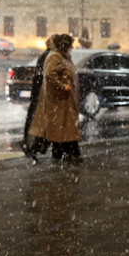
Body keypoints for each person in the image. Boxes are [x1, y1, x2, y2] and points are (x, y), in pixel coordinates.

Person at [28, 33, 83, 164]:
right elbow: (49, 74)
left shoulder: (63, 57)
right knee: (63, 128)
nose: (72, 47)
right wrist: (62, 86)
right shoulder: (55, 57)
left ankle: (57, 152)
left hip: (64, 100)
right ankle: (72, 153)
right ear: (65, 46)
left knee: (60, 128)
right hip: (58, 100)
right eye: (71, 45)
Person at [22, 35, 57, 162]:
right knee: (38, 122)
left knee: (35, 120)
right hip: (42, 95)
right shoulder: (50, 56)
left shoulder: (46, 55)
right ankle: (33, 146)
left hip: (39, 94)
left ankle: (33, 145)